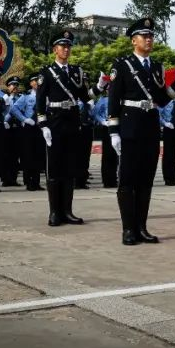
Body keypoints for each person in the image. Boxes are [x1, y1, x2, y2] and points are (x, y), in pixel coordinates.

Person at [106, 19, 175, 245]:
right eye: (144, 36)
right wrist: (114, 130)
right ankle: (128, 229)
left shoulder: (158, 67)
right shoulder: (122, 65)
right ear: (134, 40)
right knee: (128, 180)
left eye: (151, 35)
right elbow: (113, 100)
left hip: (150, 127)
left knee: (146, 181)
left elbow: (160, 101)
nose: (149, 39)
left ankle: (141, 227)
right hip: (130, 127)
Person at [36, 30, 108, 226]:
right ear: (55, 49)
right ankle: (54, 212)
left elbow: (85, 96)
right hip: (55, 121)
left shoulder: (77, 71)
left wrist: (100, 86)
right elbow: (40, 101)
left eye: (68, 46)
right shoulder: (47, 72)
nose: (66, 49)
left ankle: (67, 211)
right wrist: (43, 125)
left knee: (69, 169)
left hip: (72, 122)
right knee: (54, 168)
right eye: (62, 46)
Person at [9, 73, 43, 191]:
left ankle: (37, 182)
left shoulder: (45, 95)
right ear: (31, 83)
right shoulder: (26, 96)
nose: (36, 83)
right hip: (29, 128)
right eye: (34, 81)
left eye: (38, 80)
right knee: (28, 156)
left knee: (38, 155)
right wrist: (24, 119)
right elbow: (14, 109)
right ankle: (29, 182)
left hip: (40, 127)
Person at [158, 99, 175, 186]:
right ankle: (168, 178)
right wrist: (165, 123)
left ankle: (174, 178)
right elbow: (158, 115)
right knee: (168, 154)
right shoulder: (164, 102)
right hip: (168, 129)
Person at [92, 95, 117, 188]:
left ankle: (113, 178)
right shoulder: (103, 100)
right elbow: (95, 113)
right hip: (107, 127)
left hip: (117, 126)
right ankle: (107, 180)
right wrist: (103, 121)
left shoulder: (118, 98)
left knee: (115, 156)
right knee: (107, 155)